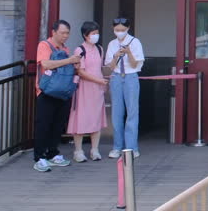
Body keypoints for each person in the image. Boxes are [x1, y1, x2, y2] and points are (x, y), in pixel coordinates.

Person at [33, 19, 81, 172]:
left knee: (57, 125)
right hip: (46, 92)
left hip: (62, 93)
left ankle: (53, 153)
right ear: (53, 32)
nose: (65, 36)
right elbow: (45, 64)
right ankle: (39, 157)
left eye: (67, 33)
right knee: (43, 125)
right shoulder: (44, 45)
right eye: (62, 33)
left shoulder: (65, 49)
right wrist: (69, 60)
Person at [67, 21, 108, 163]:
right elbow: (81, 72)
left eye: (97, 33)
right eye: (93, 33)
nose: (96, 36)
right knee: (81, 118)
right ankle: (78, 151)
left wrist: (102, 81)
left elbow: (100, 68)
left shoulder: (100, 49)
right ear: (85, 35)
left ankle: (94, 149)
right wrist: (98, 80)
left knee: (96, 118)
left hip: (97, 89)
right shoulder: (80, 50)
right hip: (84, 88)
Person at [105, 16, 145, 159]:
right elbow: (110, 66)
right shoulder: (112, 44)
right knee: (117, 113)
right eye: (117, 30)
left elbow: (136, 65)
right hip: (116, 77)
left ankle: (132, 148)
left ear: (128, 29)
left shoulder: (135, 42)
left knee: (132, 112)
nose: (119, 32)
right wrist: (116, 56)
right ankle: (117, 147)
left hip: (131, 77)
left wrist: (128, 53)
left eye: (122, 29)